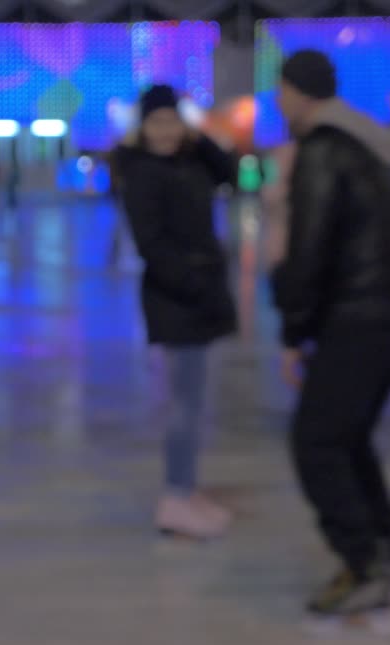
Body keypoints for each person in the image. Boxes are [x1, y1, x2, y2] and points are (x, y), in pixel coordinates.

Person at [272, 50, 390, 628]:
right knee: (348, 436)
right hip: (389, 311)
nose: (278, 102)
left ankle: (364, 564)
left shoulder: (322, 151)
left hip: (358, 314)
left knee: (316, 442)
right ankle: (387, 548)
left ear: (298, 93)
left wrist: (293, 330)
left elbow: (309, 250)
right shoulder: (365, 146)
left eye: (281, 91)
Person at [115, 84, 237, 540]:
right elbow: (151, 245)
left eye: (171, 120)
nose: (165, 131)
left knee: (195, 399)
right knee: (185, 405)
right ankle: (175, 495)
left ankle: (186, 490)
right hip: (178, 299)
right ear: (142, 128)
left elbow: (229, 172)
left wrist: (199, 134)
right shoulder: (142, 172)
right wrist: (191, 284)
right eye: (156, 122)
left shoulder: (190, 162)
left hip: (198, 294)